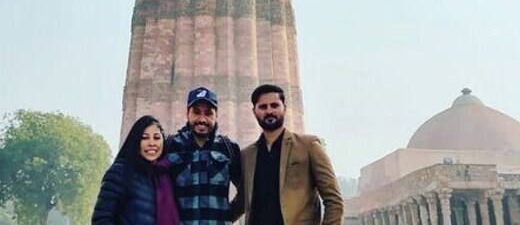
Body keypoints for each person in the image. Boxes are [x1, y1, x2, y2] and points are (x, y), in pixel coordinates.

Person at [240, 84, 344, 225]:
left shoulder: (308, 146)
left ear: (284, 108)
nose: (269, 111)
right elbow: (241, 201)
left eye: (274, 105)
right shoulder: (247, 156)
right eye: (263, 107)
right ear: (254, 111)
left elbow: (334, 201)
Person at [165, 87, 243, 224]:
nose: (202, 119)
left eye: (208, 113)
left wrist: (227, 216)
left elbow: (246, 191)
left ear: (216, 115)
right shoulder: (170, 145)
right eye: (196, 112)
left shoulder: (228, 148)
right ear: (187, 114)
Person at [92, 115, 180, 225]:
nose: (152, 143)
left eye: (157, 138)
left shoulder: (164, 176)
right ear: (136, 141)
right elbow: (101, 219)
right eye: (145, 138)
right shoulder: (120, 172)